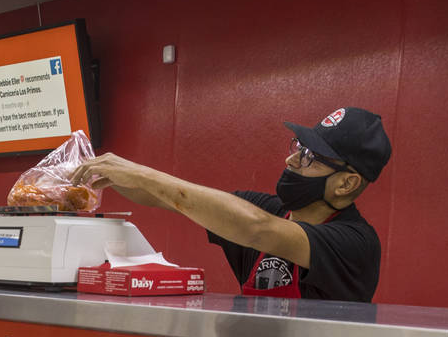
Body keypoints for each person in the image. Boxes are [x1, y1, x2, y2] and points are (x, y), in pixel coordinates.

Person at [69, 106, 391, 302]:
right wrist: (116, 179)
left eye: (309, 157)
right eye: (297, 147)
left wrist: (141, 173)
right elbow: (167, 199)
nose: (290, 159)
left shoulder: (355, 242)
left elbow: (257, 229)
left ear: (346, 183)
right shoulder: (272, 209)